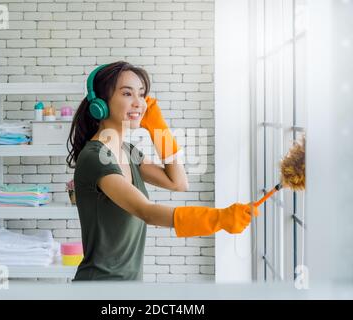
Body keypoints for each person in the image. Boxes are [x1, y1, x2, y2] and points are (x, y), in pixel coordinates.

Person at [66, 61, 258, 281]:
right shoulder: (95, 157)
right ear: (100, 103)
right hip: (98, 288)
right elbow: (147, 211)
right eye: (127, 94)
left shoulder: (127, 151)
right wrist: (219, 218)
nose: (139, 103)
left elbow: (178, 182)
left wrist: (159, 128)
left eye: (142, 94)